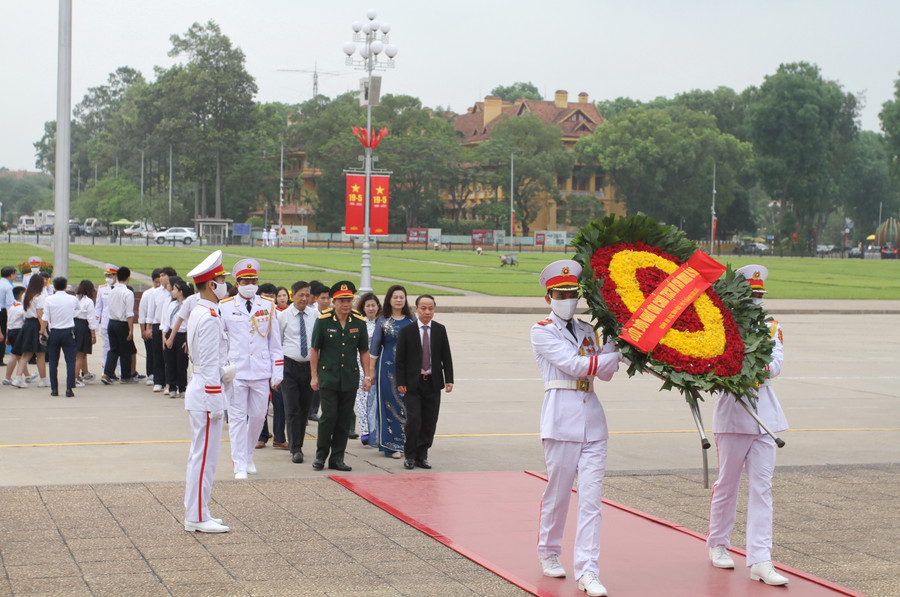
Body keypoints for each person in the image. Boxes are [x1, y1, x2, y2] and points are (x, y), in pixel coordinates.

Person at [530, 259, 623, 597]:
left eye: (572, 292)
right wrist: (615, 355)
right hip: (560, 420)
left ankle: (588, 570)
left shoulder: (586, 330)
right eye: (561, 292)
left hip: (593, 422)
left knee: (591, 499)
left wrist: (617, 341)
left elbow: (605, 373)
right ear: (548, 297)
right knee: (558, 493)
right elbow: (575, 365)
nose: (568, 297)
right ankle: (549, 551)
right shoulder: (541, 330)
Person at [707, 265, 790, 586]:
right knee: (727, 483)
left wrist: (745, 364)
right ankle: (718, 542)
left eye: (759, 295)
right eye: (751, 294)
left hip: (765, 416)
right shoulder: (723, 326)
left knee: (762, 488)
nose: (756, 300)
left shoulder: (771, 326)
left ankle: (760, 559)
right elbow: (716, 364)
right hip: (732, 414)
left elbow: (776, 365)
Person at [218, 259, 283, 479]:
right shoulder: (225, 307)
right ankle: (239, 464)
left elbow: (275, 343)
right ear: (237, 283)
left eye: (253, 280)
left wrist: (278, 372)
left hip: (261, 371)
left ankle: (247, 454)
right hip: (236, 372)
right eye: (246, 281)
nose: (250, 284)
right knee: (236, 419)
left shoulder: (267, 305)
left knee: (257, 416)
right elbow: (221, 341)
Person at [183, 250, 231, 533]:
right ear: (212, 284)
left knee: (201, 457)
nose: (225, 284)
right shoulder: (210, 316)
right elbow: (210, 363)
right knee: (204, 459)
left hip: (201, 388)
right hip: (206, 393)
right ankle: (198, 517)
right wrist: (216, 400)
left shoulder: (201, 311)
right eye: (222, 279)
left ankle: (199, 510)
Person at [309, 281, 370, 472]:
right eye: (342, 300)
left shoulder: (358, 322)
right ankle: (320, 456)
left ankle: (338, 458)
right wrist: (314, 376)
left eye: (349, 300)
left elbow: (364, 351)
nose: (346, 304)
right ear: (334, 302)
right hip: (328, 377)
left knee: (344, 420)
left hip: (349, 378)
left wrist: (367, 376)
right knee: (328, 417)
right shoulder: (323, 321)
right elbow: (314, 349)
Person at [395, 295, 454, 470]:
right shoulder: (407, 331)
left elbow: (446, 357)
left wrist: (449, 379)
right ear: (416, 309)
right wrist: (401, 381)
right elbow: (400, 360)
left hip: (433, 383)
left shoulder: (440, 330)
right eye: (423, 308)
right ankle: (410, 455)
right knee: (414, 420)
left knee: (429, 421)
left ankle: (423, 454)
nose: (427, 312)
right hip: (413, 383)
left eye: (430, 308)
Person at [367, 285, 415, 459]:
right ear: (389, 299)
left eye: (401, 297)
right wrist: (371, 372)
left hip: (409, 370)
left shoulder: (411, 321)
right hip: (387, 369)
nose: (398, 300)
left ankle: (408, 443)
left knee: (409, 406)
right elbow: (374, 348)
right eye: (395, 297)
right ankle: (392, 445)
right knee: (390, 405)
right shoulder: (383, 320)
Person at [278, 281, 316, 464]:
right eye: (300, 295)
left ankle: (298, 441)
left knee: (304, 408)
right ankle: (296, 448)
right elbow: (276, 344)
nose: (304, 298)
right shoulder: (284, 316)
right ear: (293, 296)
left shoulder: (315, 315)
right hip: (289, 365)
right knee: (292, 408)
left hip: (309, 367)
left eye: (307, 295)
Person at [40, 276, 79, 397]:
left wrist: (42, 332)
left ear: (54, 287)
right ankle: (69, 388)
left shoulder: (49, 300)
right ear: (66, 286)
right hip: (68, 331)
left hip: (54, 332)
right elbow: (77, 311)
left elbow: (45, 318)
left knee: (53, 362)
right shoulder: (72, 299)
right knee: (71, 361)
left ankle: (54, 389)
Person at [11, 275, 49, 388]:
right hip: (35, 325)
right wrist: (43, 331)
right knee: (40, 354)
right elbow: (40, 315)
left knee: (26, 354)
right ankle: (43, 379)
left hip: (27, 324)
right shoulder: (39, 297)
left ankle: (18, 378)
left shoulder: (26, 296)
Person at [354, 292, 381, 446]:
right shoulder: (359, 323)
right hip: (361, 363)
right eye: (368, 306)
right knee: (362, 398)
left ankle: (376, 430)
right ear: (363, 308)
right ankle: (365, 431)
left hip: (378, 363)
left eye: (373, 305)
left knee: (376, 398)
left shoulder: (382, 322)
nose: (371, 308)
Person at [101, 266, 136, 384]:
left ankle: (107, 373)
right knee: (125, 350)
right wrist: (131, 330)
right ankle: (126, 376)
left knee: (113, 349)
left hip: (111, 322)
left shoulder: (112, 291)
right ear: (128, 277)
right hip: (122, 323)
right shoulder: (128, 293)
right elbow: (129, 313)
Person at [163, 277, 192, 399]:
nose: (172, 292)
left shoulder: (188, 304)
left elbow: (190, 322)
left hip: (182, 334)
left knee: (181, 363)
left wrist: (187, 339)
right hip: (171, 333)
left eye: (175, 289)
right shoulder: (171, 304)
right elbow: (166, 320)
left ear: (181, 292)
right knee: (170, 362)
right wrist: (164, 336)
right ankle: (172, 387)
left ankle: (182, 387)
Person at [307, 280, 330, 422]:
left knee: (319, 386)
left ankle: (314, 410)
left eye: (328, 298)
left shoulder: (331, 313)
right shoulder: (313, 313)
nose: (326, 301)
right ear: (316, 298)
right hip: (312, 352)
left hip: (325, 354)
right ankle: (308, 410)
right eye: (323, 298)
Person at [139, 269, 162, 385]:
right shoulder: (148, 294)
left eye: (160, 282)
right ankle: (151, 374)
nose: (158, 285)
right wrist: (143, 330)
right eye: (156, 282)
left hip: (160, 326)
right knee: (150, 352)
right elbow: (143, 314)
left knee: (159, 353)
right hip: (150, 326)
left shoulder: (165, 293)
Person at [95, 264, 117, 377]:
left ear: (115, 276)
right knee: (106, 346)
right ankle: (106, 369)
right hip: (105, 321)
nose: (108, 277)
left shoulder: (121, 288)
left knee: (118, 347)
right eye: (106, 275)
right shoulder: (102, 288)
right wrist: (95, 323)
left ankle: (119, 370)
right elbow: (98, 307)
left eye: (110, 275)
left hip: (117, 321)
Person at [74, 280, 97, 383]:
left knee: (81, 352)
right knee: (80, 354)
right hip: (83, 326)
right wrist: (93, 334)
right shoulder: (88, 301)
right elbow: (91, 319)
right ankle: (74, 377)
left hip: (74, 325)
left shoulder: (75, 299)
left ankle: (86, 373)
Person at [3, 286, 27, 385]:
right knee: (15, 355)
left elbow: (8, 323)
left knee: (20, 355)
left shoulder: (11, 307)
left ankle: (27, 375)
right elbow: (25, 320)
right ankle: (7, 378)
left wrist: (8, 336)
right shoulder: (22, 308)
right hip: (18, 332)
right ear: (22, 295)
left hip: (11, 331)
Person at [0, 266, 18, 366]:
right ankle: (0, 358)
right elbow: (9, 303)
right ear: (11, 275)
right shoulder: (8, 286)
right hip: (3, 312)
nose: (15, 276)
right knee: (2, 334)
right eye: (15, 274)